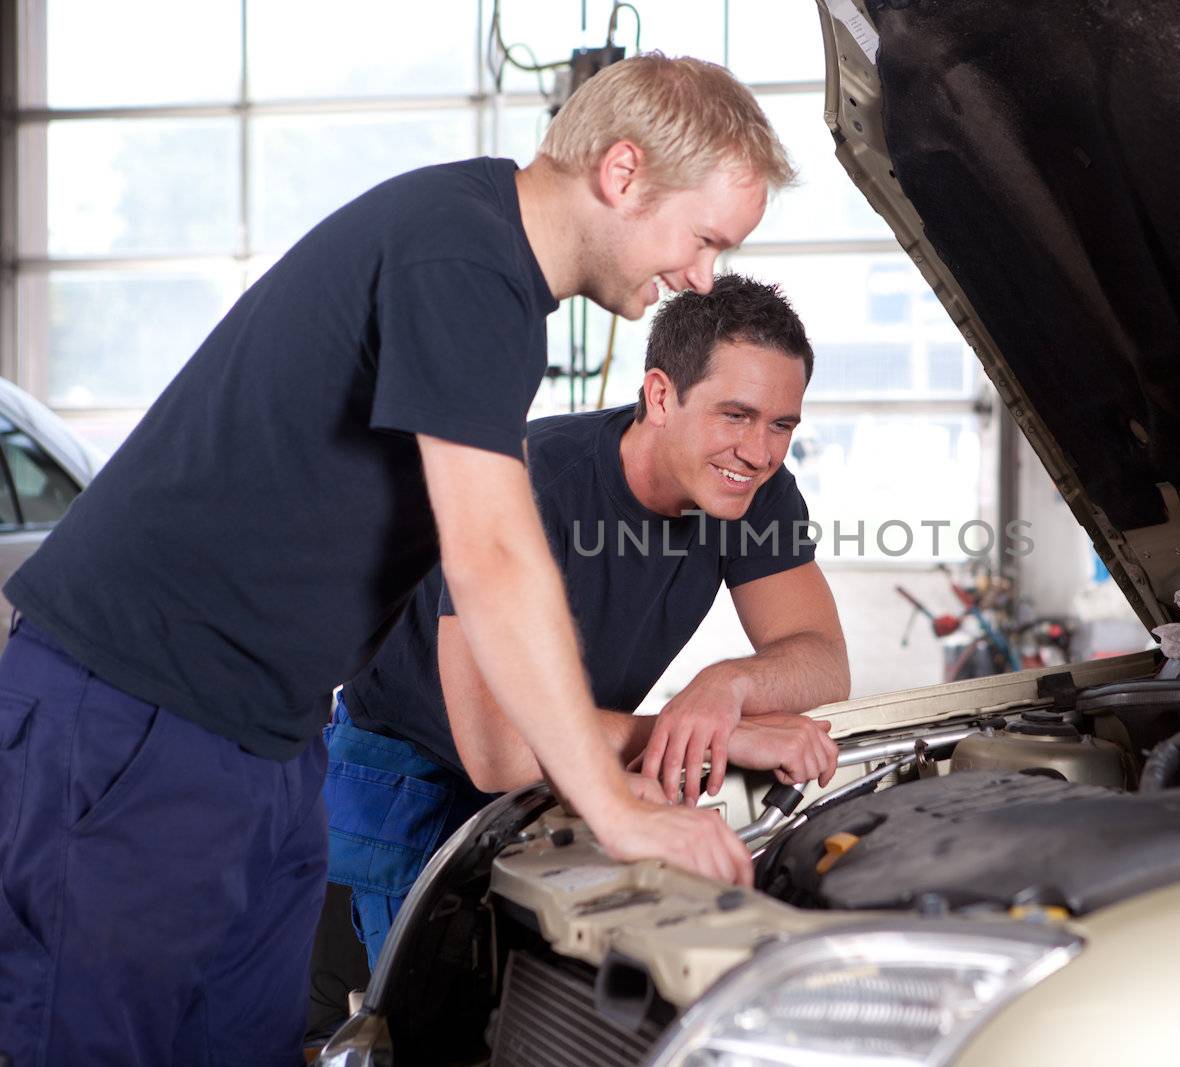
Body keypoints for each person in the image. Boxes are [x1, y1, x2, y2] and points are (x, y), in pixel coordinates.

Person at [0, 54, 792, 1067]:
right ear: (623, 172)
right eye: (705, 239)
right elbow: (494, 554)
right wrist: (612, 803)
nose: (699, 277)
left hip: (268, 734)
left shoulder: (496, 285)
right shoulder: (459, 253)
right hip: (135, 718)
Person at [323, 273, 848, 972]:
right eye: (736, 415)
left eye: (782, 424)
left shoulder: (755, 492)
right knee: (432, 1024)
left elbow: (822, 660)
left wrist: (726, 686)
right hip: (413, 778)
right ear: (661, 395)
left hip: (563, 769)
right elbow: (497, 751)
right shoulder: (536, 484)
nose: (760, 450)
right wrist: (711, 734)